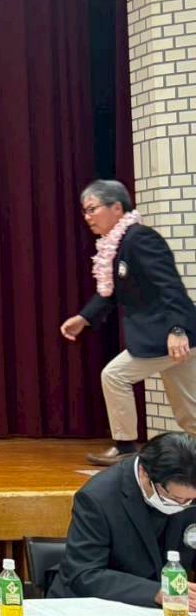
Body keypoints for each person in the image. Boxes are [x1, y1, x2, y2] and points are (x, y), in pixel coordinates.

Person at [60, 179, 196, 466]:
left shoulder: (140, 239)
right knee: (190, 413)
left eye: (92, 209)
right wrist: (84, 318)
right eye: (85, 211)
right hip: (166, 337)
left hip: (168, 334)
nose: (87, 217)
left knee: (114, 376)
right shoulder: (118, 244)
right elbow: (111, 293)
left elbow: (170, 286)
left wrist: (177, 330)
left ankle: (125, 450)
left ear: (117, 208)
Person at [48, 431, 196, 610]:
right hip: (95, 609)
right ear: (144, 473)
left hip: (170, 610)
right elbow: (85, 574)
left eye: (190, 500)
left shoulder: (189, 493)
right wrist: (154, 592)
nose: (182, 505)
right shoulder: (98, 497)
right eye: (173, 498)